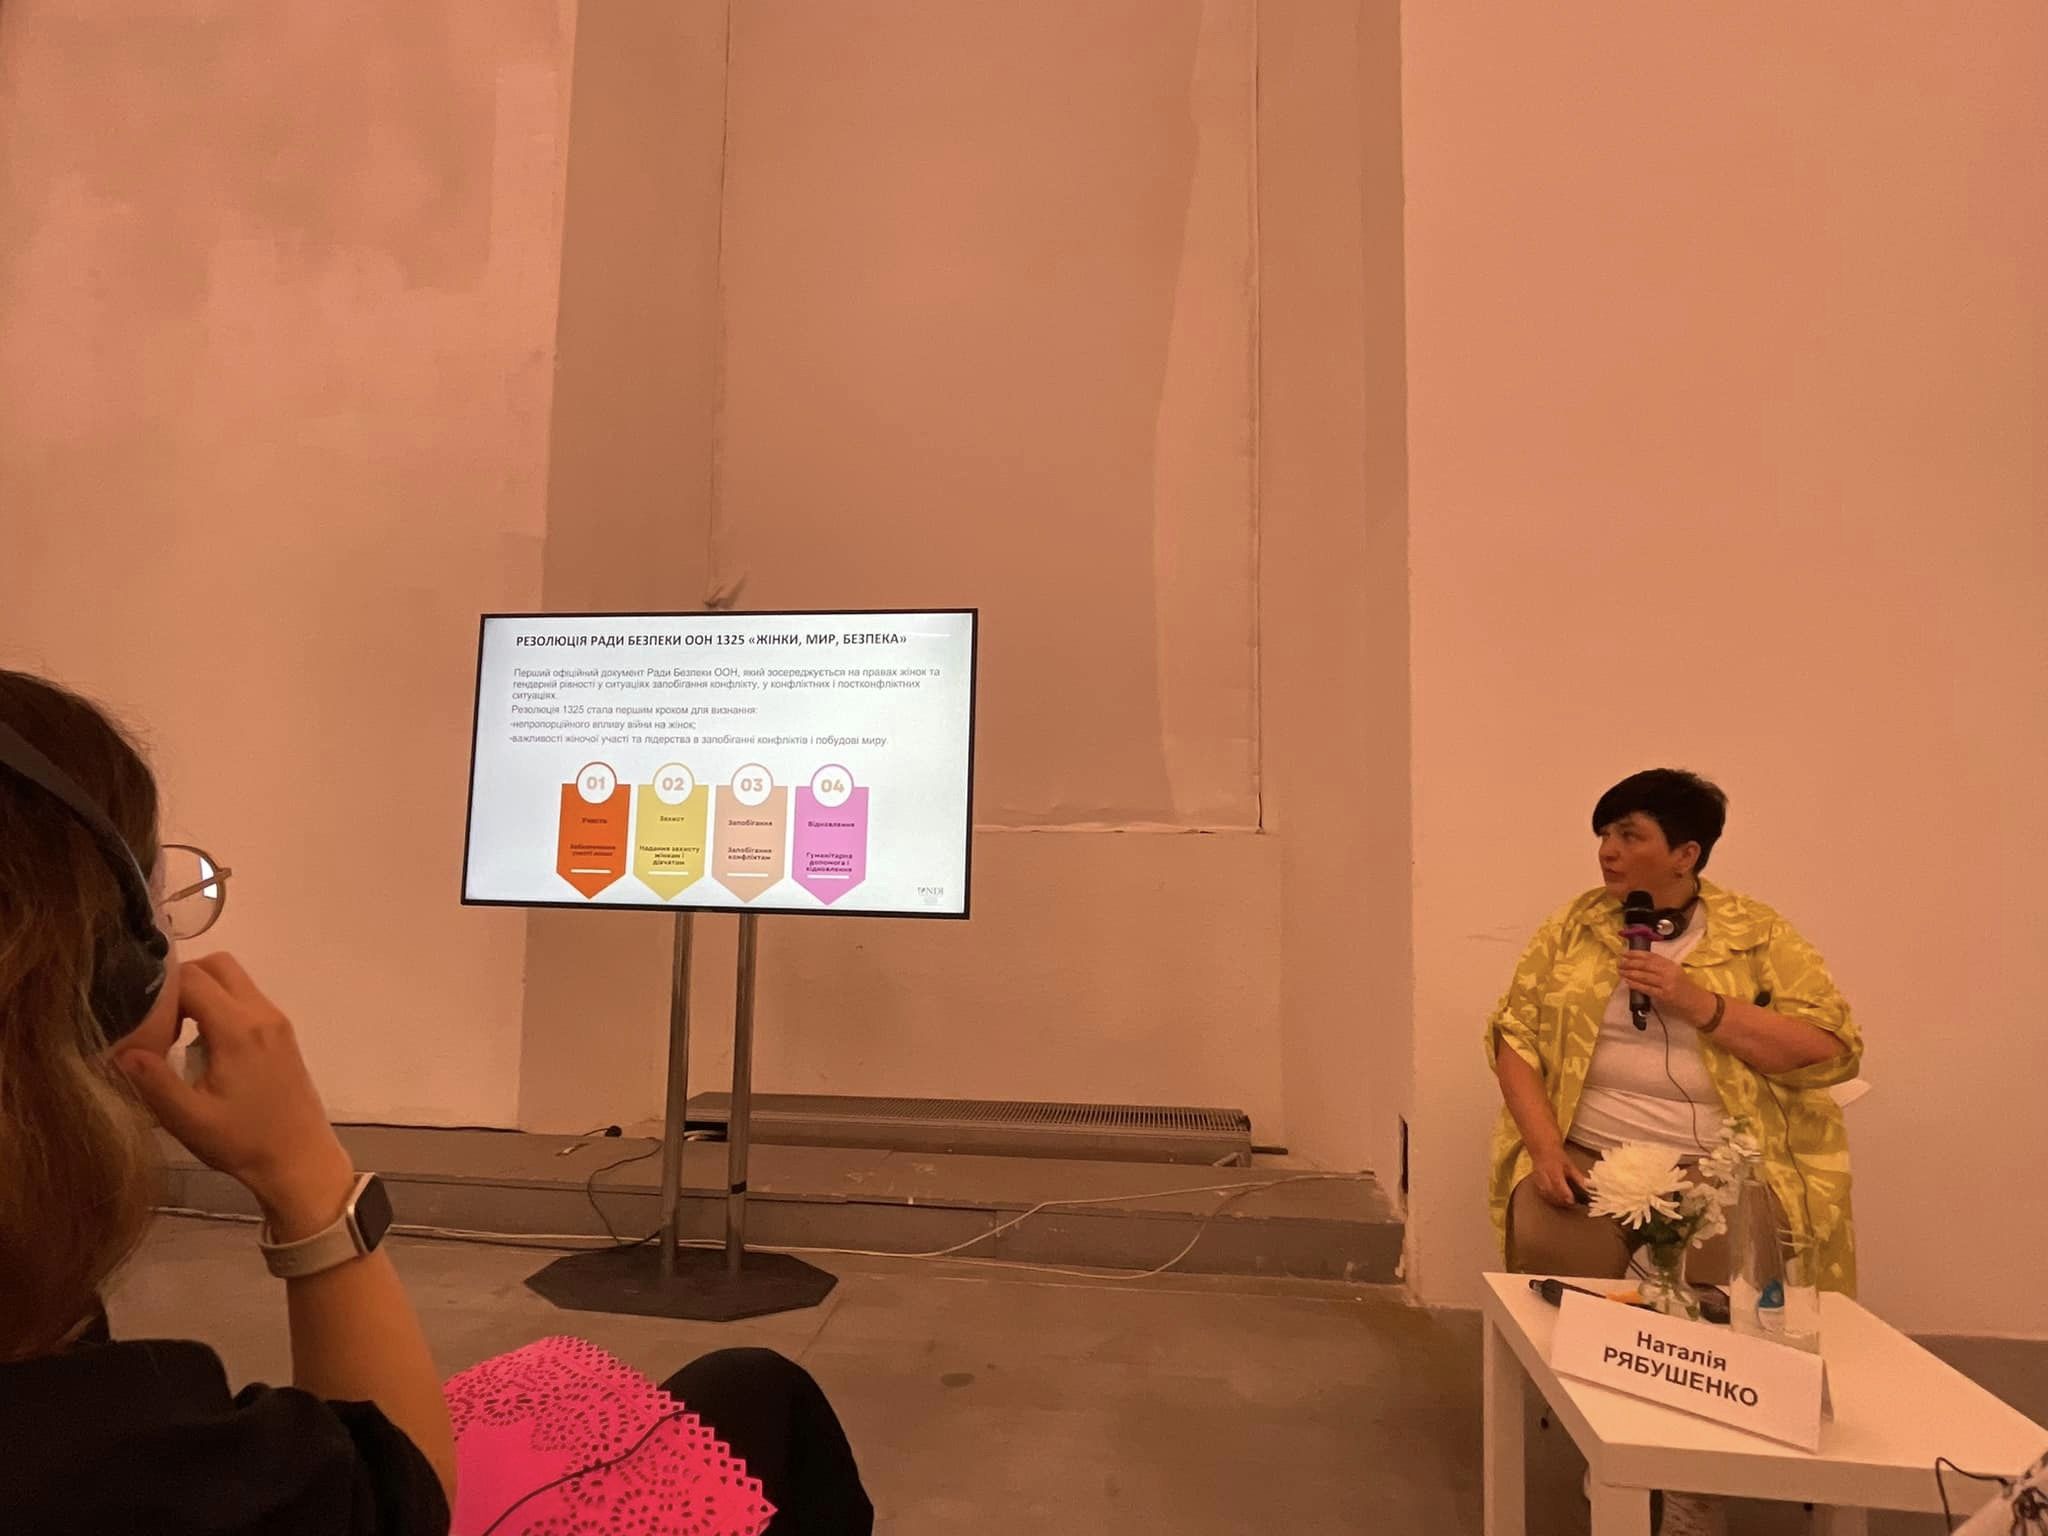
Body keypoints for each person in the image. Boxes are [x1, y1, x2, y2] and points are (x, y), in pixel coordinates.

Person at [0, 669, 873, 1534]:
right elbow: (398, 1499)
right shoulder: (138, 1456)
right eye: (164, 904)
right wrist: (306, 1173)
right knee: (768, 1404)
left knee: (751, 1387)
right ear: (114, 975)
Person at [1486, 768, 1861, 1294]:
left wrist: (1698, 1003)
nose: (1608, 852)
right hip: (1587, 1156)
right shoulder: (1572, 926)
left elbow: (1827, 1049)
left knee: (1724, 1312)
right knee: (1562, 1297)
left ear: (1685, 854)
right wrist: (1546, 1151)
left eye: (1629, 836)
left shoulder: (1757, 933)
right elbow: (1515, 1036)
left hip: (1719, 1166)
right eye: (1604, 835)